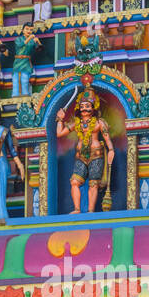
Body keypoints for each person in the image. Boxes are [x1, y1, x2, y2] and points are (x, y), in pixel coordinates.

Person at [56, 86, 114, 214]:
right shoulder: (76, 123)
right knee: (75, 182)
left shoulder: (99, 123)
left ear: (93, 107)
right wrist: (60, 119)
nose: (84, 109)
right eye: (82, 106)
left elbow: (107, 137)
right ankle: (77, 209)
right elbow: (59, 133)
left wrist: (111, 150)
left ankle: (90, 210)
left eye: (87, 106)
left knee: (93, 183)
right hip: (80, 156)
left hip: (96, 154)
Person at [6, 24, 40, 98]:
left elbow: (40, 49)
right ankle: (15, 95)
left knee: (25, 79)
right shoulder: (18, 39)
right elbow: (20, 45)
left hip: (26, 62)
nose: (29, 31)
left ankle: (25, 95)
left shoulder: (32, 41)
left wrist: (38, 42)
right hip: (18, 61)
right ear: (23, 30)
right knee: (15, 79)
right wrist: (29, 38)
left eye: (31, 30)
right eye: (27, 29)